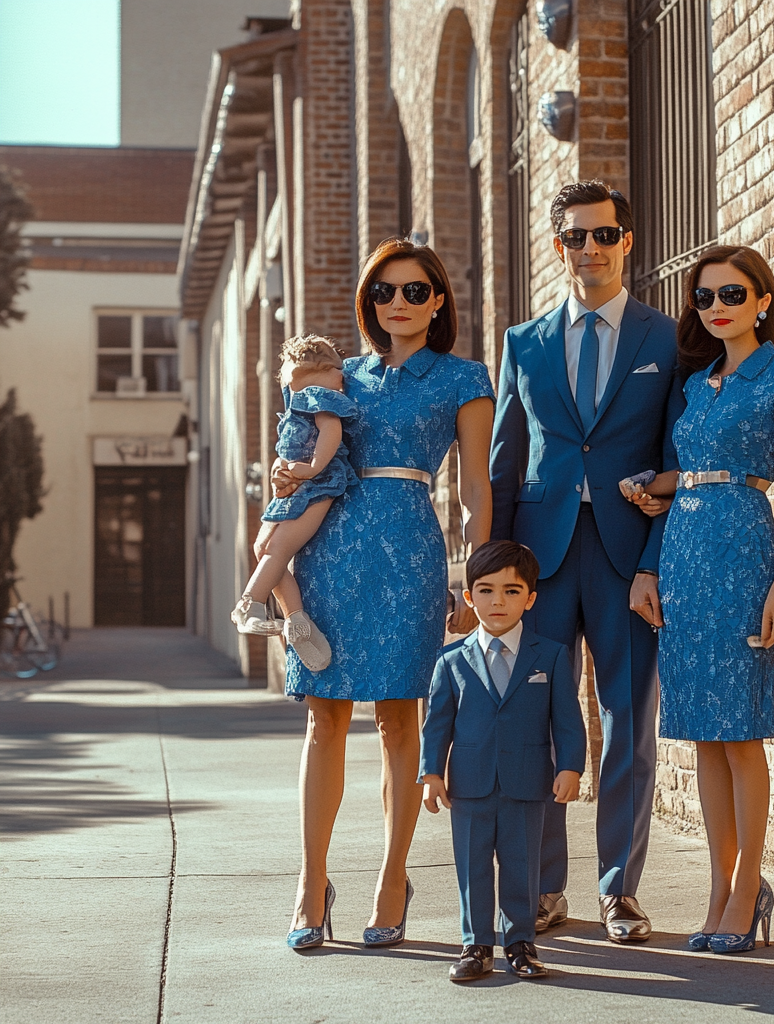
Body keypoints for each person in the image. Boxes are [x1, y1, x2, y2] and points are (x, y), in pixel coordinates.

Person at [272, 238, 495, 950]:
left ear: (437, 302)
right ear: (369, 303)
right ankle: (311, 884)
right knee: (324, 718)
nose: (396, 303)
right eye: (383, 292)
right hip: (331, 552)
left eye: (413, 291)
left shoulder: (464, 378)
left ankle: (393, 877)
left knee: (401, 720)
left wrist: (474, 575)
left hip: (410, 556)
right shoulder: (343, 376)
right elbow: (302, 449)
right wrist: (286, 475)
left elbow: (476, 487)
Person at [490, 180, 685, 942]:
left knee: (627, 722)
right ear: (558, 244)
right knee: (537, 721)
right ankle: (544, 888)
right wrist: (494, 571)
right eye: (576, 236)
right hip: (539, 559)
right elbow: (506, 463)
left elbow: (677, 458)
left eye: (604, 235)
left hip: (626, 559)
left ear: (627, 241)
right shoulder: (523, 343)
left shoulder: (665, 340)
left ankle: (619, 889)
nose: (591, 248)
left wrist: (656, 562)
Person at [622, 244, 774, 953]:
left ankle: (747, 887)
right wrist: (657, 484)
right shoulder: (698, 380)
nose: (717, 309)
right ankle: (718, 887)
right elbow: (696, 471)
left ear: (762, 300)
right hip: (684, 555)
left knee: (740, 733)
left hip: (744, 553)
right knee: (703, 731)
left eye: (732, 295)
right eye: (704, 299)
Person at [420, 540, 587, 982]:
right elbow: (436, 724)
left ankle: (520, 943)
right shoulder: (450, 661)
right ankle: (476, 944)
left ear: (530, 599)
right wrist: (431, 773)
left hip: (529, 783)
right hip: (469, 785)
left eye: (512, 592)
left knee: (521, 865)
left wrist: (570, 766)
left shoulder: (550, 656)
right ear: (470, 597)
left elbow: (567, 719)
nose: (499, 601)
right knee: (472, 867)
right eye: (487, 590)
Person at [231, 335, 358, 672]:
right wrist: (283, 469)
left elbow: (331, 433)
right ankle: (295, 618)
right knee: (265, 546)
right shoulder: (306, 399)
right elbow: (296, 446)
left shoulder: (314, 397)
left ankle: (251, 603)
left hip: (318, 486)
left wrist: (312, 467)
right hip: (298, 486)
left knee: (277, 548)